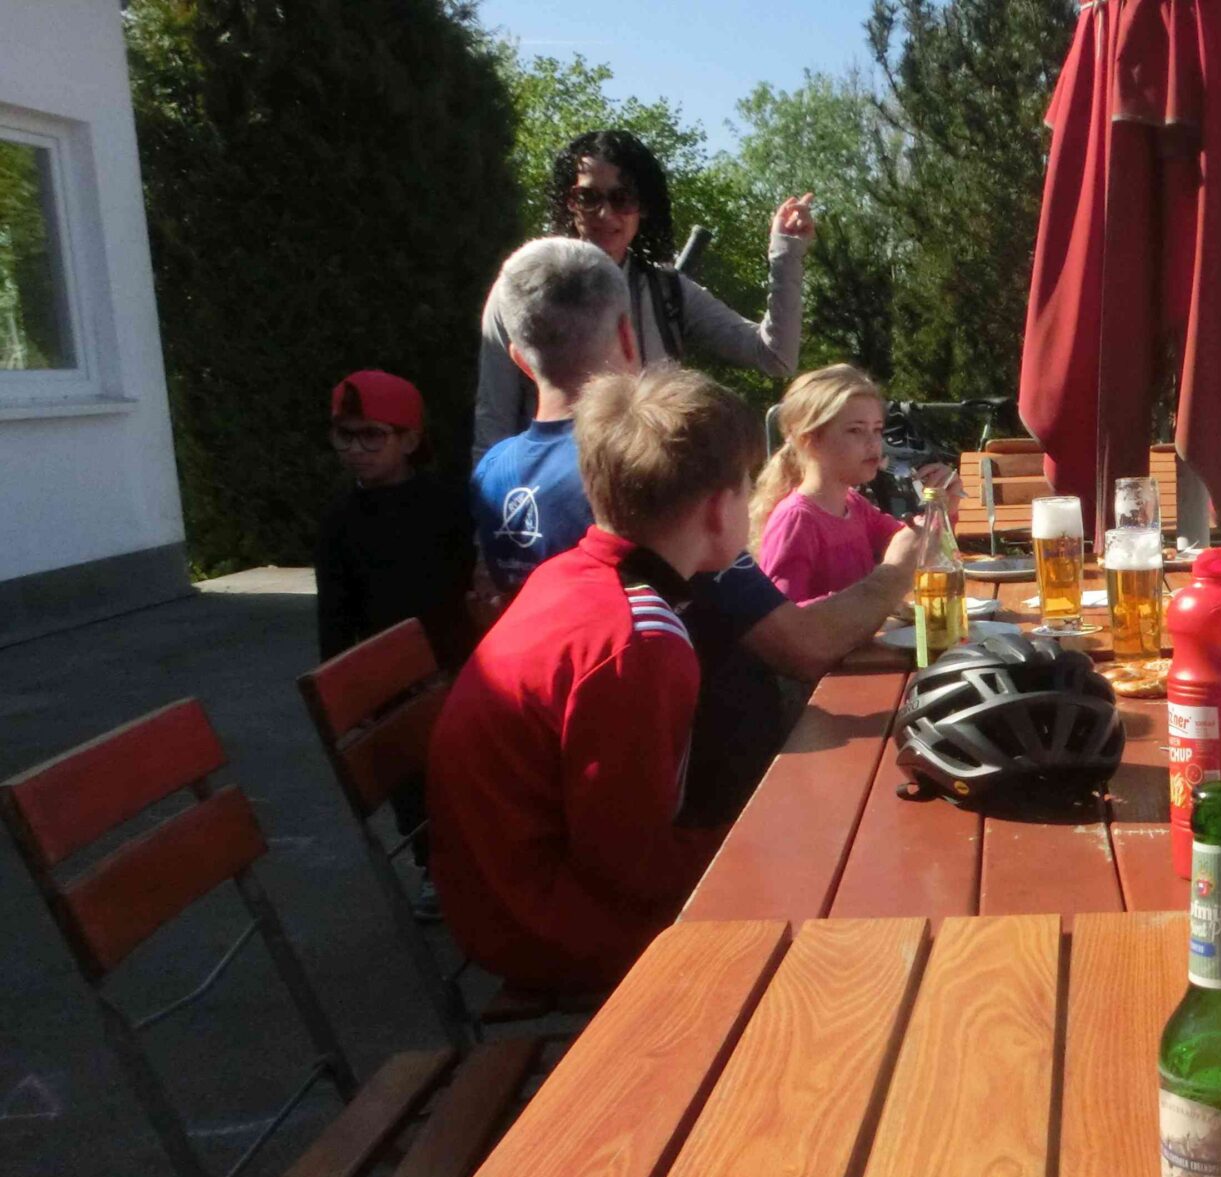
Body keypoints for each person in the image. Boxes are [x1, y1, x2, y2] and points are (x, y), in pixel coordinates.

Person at [468, 237, 919, 830]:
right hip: (707, 787)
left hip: (562, 781)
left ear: (520, 360)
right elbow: (803, 645)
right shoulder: (646, 467)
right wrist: (899, 570)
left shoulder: (492, 473)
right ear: (628, 335)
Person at [427, 367, 756, 992]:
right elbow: (629, 868)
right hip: (543, 924)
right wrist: (753, 846)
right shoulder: (638, 643)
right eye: (748, 487)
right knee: (812, 895)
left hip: (496, 894)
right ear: (719, 510)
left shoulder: (566, 574)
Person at [473, 128, 812, 459]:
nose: (605, 214)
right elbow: (493, 426)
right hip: (551, 490)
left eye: (622, 198)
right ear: (569, 202)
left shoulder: (669, 292)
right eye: (588, 198)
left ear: (644, 207)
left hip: (650, 489)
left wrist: (786, 252)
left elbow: (776, 357)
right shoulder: (520, 289)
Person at [313, 369, 477, 920]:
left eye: (371, 435)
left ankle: (479, 863)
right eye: (345, 435)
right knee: (409, 779)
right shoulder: (338, 521)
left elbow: (471, 582)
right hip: (387, 679)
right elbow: (335, 615)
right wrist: (343, 692)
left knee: (466, 773)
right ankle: (433, 868)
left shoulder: (448, 503)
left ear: (408, 440)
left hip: (457, 663)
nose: (355, 450)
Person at [750, 364, 911, 604]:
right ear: (809, 440)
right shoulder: (796, 520)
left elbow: (912, 545)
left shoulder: (853, 504)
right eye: (855, 430)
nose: (873, 442)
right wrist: (877, 590)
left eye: (877, 429)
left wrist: (941, 503)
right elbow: (784, 618)